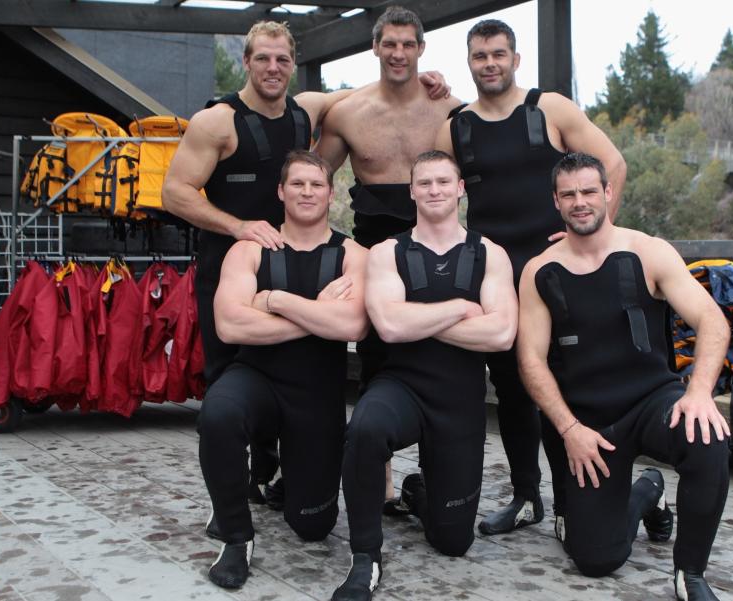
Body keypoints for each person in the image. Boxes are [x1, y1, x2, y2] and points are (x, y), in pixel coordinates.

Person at [163, 20, 447, 504]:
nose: (273, 68)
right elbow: (173, 192)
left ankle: (278, 472)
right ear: (246, 60)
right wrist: (238, 227)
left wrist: (419, 79)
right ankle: (236, 489)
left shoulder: (305, 111)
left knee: (296, 372)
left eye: (282, 60)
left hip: (293, 261)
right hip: (231, 263)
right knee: (231, 382)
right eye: (262, 59)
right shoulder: (216, 121)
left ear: (293, 66)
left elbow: (369, 90)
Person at [433, 19, 627, 536]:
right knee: (514, 390)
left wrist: (589, 240)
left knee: (567, 385)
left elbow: (612, 164)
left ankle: (572, 501)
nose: (490, 63)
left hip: (556, 270)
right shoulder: (455, 127)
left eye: (499, 54)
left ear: (516, 60)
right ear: (469, 63)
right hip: (494, 276)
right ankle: (526, 497)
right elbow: (436, 197)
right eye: (479, 56)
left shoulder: (550, 108)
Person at [517, 152, 730, 601]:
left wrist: (699, 393)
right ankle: (648, 491)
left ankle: (689, 574)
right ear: (556, 201)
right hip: (590, 424)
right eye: (569, 194)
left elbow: (712, 321)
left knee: (707, 438)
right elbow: (531, 361)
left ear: (608, 193)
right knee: (596, 559)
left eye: (589, 191)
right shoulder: (539, 271)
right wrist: (570, 428)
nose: (580, 202)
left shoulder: (648, 251)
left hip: (653, 401)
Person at [330, 151, 517, 601]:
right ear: (411, 191)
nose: (434, 190)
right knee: (366, 428)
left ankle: (417, 490)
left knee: (453, 542)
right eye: (424, 183)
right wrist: (459, 308)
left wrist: (419, 319)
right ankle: (365, 557)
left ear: (460, 189)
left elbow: (503, 333)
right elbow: (390, 328)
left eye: (443, 182)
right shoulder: (387, 252)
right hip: (401, 388)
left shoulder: (489, 253)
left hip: (460, 400)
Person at [197, 150, 368, 589]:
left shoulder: (352, 254)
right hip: (256, 377)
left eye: (316, 184)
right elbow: (230, 323)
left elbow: (352, 325)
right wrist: (316, 318)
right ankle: (236, 537)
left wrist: (274, 301)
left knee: (313, 526)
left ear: (331, 194)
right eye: (297, 184)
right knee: (217, 413)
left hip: (317, 392)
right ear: (280, 191)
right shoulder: (250, 249)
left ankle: (289, 480)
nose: (307, 192)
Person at [315, 5, 463, 506]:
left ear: (422, 49)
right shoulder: (348, 112)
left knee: (443, 358)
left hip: (441, 250)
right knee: (378, 363)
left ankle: (435, 476)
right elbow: (313, 180)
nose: (398, 53)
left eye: (408, 44)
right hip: (376, 252)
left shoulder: (448, 109)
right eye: (389, 44)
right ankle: (376, 480)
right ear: (374, 48)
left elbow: (489, 169)